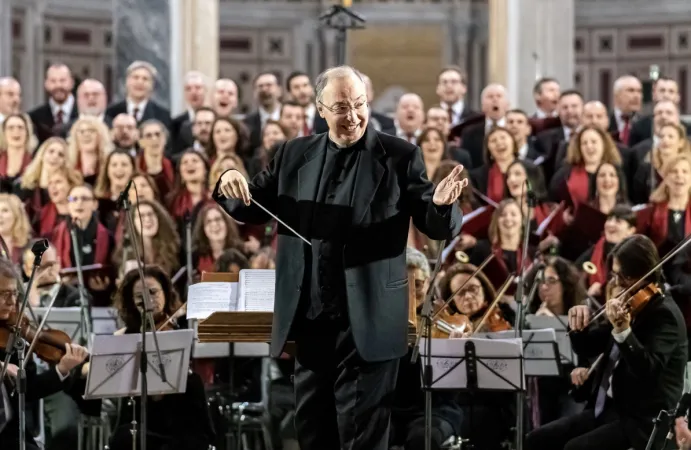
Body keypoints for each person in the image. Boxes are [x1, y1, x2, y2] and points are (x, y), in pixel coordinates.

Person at [214, 65, 466, 450]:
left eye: (360, 104)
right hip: (311, 321)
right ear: (320, 109)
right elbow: (251, 203)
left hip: (370, 319)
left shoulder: (400, 156)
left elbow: (434, 222)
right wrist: (229, 181)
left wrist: (444, 206)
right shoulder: (294, 154)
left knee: (361, 438)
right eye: (342, 107)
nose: (353, 116)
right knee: (313, 433)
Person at [525, 234, 688, 450]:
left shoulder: (664, 315)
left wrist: (623, 331)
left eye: (625, 277)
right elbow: (588, 345)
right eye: (615, 275)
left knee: (574, 448)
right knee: (536, 439)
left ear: (644, 273)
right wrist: (578, 327)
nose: (617, 283)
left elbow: (648, 368)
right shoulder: (630, 303)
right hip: (610, 410)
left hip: (642, 420)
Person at [0, 257, 89, 450]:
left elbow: (30, 389)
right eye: (4, 294)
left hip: (10, 434)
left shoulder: (14, 336)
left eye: (14, 293)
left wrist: (62, 369)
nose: (12, 301)